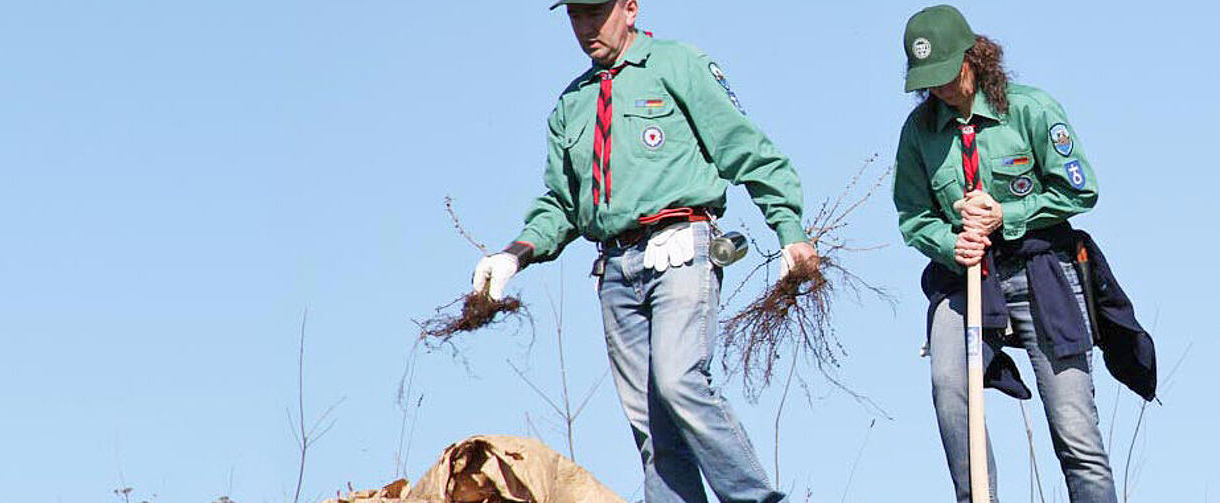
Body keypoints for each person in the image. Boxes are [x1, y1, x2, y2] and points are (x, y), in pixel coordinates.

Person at [467, 1, 815, 502]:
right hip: (613, 270)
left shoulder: (678, 65)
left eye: (597, 13)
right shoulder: (572, 104)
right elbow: (562, 204)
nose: (586, 27)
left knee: (679, 383)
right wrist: (513, 254)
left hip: (680, 249)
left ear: (629, 8)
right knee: (652, 428)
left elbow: (746, 148)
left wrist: (790, 229)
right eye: (576, 17)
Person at [892, 5, 1154, 503]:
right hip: (964, 279)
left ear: (974, 57)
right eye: (929, 81)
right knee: (949, 387)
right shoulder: (918, 132)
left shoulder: (1031, 109)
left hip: (1044, 271)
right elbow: (912, 215)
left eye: (947, 74)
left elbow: (1081, 192)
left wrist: (1005, 216)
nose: (940, 89)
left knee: (1075, 434)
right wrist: (953, 244)